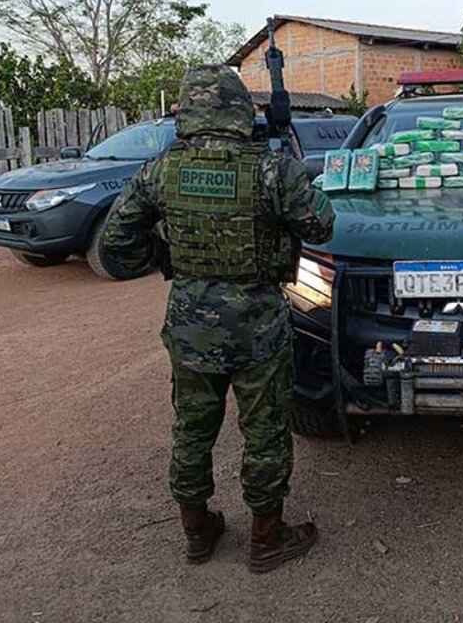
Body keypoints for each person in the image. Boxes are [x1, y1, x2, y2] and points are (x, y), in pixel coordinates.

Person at [101, 64, 335, 572]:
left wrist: (172, 260)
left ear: (186, 111)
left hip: (190, 326)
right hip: (258, 330)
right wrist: (294, 167)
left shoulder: (161, 170)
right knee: (266, 432)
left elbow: (115, 242)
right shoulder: (271, 169)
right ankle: (267, 539)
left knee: (191, 428)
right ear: (238, 111)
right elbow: (321, 225)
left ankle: (197, 532)